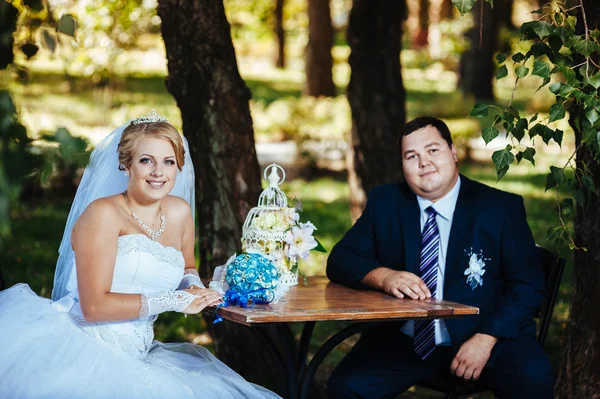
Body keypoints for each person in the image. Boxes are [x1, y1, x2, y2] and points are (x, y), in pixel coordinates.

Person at [0, 111, 282, 399]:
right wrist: (175, 300)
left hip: (137, 354)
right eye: (146, 160)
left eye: (168, 162)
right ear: (126, 165)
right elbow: (94, 308)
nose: (158, 172)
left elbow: (186, 265)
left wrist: (194, 288)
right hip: (85, 347)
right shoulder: (103, 214)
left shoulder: (179, 212)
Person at [326, 116, 554, 399]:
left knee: (535, 378)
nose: (423, 162)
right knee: (345, 388)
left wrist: (486, 340)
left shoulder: (499, 208)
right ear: (403, 164)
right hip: (405, 339)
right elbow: (340, 259)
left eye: (433, 150)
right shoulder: (387, 202)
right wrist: (384, 276)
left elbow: (528, 285)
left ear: (453, 152)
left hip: (485, 333)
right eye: (412, 156)